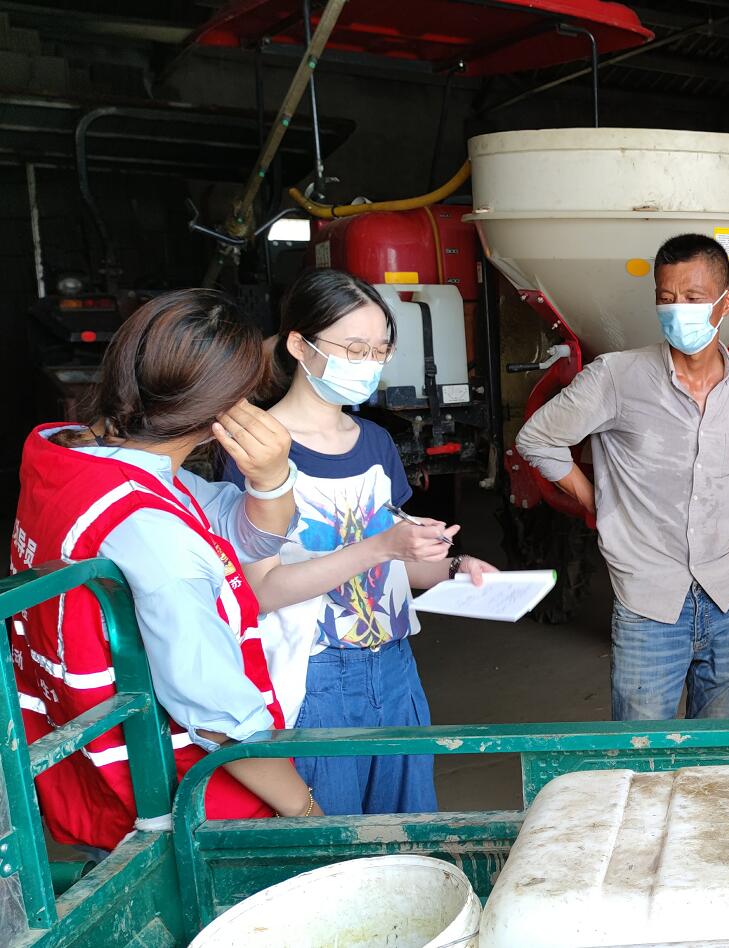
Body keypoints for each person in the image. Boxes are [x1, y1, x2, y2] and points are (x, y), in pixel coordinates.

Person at [9, 289, 325, 853]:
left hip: (86, 778)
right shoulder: (158, 539)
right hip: (179, 814)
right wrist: (304, 809)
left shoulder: (68, 454)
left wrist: (272, 478)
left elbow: (239, 530)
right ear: (225, 411)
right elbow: (219, 718)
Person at [223, 268, 497, 816]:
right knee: (332, 842)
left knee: (408, 833)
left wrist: (453, 567)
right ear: (299, 345)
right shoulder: (259, 450)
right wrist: (382, 547)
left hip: (394, 667)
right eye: (354, 348)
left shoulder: (375, 441)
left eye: (379, 350)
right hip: (314, 676)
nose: (368, 363)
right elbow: (262, 592)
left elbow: (400, 563)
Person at [515, 233, 729, 721]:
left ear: (726, 303)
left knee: (717, 744)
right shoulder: (617, 377)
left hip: (728, 598)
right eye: (667, 298)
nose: (677, 310)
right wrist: (594, 500)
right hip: (649, 605)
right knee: (642, 752)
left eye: (692, 297)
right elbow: (537, 438)